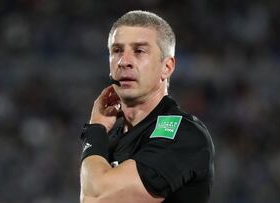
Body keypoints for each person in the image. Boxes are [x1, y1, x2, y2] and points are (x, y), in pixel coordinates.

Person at [79, 10, 214, 203]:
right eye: (117, 50)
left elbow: (98, 198)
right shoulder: (110, 139)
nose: (123, 62)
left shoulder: (183, 134)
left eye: (139, 51)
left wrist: (94, 129)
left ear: (166, 67)